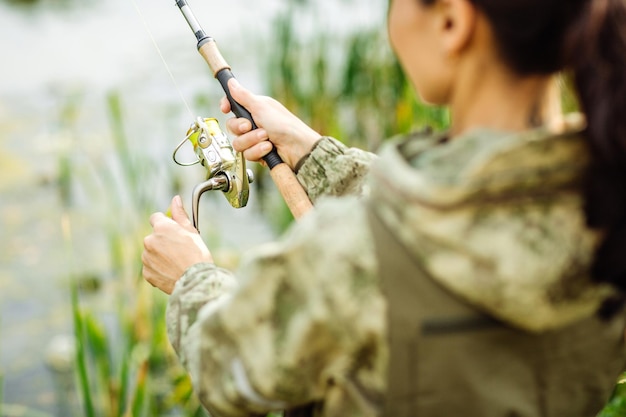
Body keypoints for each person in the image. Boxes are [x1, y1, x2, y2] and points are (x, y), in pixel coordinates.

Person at [142, 0, 626, 416]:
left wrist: (192, 280)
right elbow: (466, 210)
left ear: (452, 23)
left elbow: (228, 373)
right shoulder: (608, 201)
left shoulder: (348, 257)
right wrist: (312, 153)